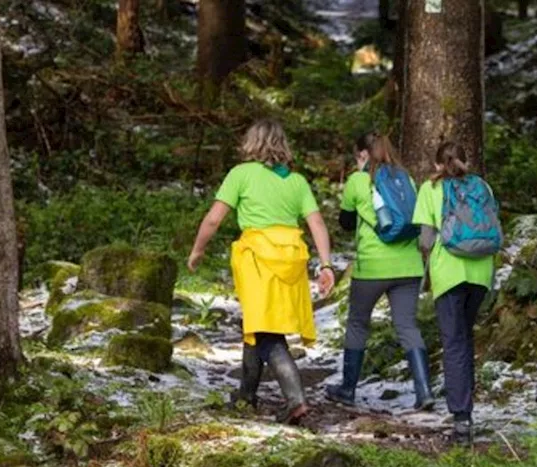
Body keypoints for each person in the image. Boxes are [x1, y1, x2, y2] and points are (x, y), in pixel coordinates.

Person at [187, 119, 335, 425]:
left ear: (251, 143)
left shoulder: (241, 174)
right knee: (256, 326)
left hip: (258, 260)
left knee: (267, 333)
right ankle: (246, 396)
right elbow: (317, 224)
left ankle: (296, 401)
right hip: (292, 259)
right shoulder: (296, 182)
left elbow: (214, 219)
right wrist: (325, 264)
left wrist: (198, 250)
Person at [327, 132, 434, 411]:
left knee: (358, 323)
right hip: (409, 266)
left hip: (372, 268)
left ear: (363, 154)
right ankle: (424, 392)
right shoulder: (406, 178)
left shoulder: (358, 181)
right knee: (407, 326)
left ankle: (347, 389)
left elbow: (346, 222)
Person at [412, 142, 498, 444]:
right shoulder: (482, 186)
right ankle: (466, 410)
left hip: (449, 273)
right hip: (480, 273)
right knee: (465, 338)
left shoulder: (430, 189)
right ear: (466, 160)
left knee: (454, 344)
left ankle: (462, 419)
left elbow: (425, 239)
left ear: (438, 165)